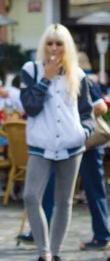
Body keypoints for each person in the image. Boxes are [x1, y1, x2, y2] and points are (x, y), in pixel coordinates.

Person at [18, 52, 110, 252]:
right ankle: (43, 236)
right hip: (58, 144)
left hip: (87, 145)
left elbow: (99, 107)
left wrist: (77, 126)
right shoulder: (38, 73)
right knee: (48, 191)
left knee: (90, 190)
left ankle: (102, 234)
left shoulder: (80, 78)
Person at [20, 23, 95, 261]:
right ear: (43, 45)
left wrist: (84, 132)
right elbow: (30, 108)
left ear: (67, 46)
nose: (54, 48)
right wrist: (45, 79)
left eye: (59, 43)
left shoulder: (79, 74)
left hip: (72, 146)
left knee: (64, 201)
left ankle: (57, 252)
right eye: (50, 43)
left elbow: (87, 112)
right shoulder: (30, 70)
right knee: (31, 196)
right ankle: (45, 253)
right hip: (40, 146)